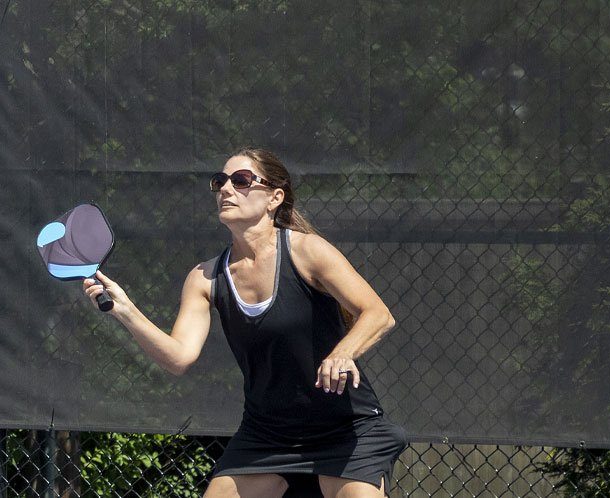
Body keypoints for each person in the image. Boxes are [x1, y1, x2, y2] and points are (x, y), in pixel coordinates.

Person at [82, 147, 407, 497]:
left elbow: (377, 314)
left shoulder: (308, 252)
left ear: (274, 198)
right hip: (267, 434)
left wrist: (342, 354)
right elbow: (178, 357)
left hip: (345, 428)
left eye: (241, 181)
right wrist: (126, 310)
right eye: (220, 181)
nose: (225, 189)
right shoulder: (205, 278)